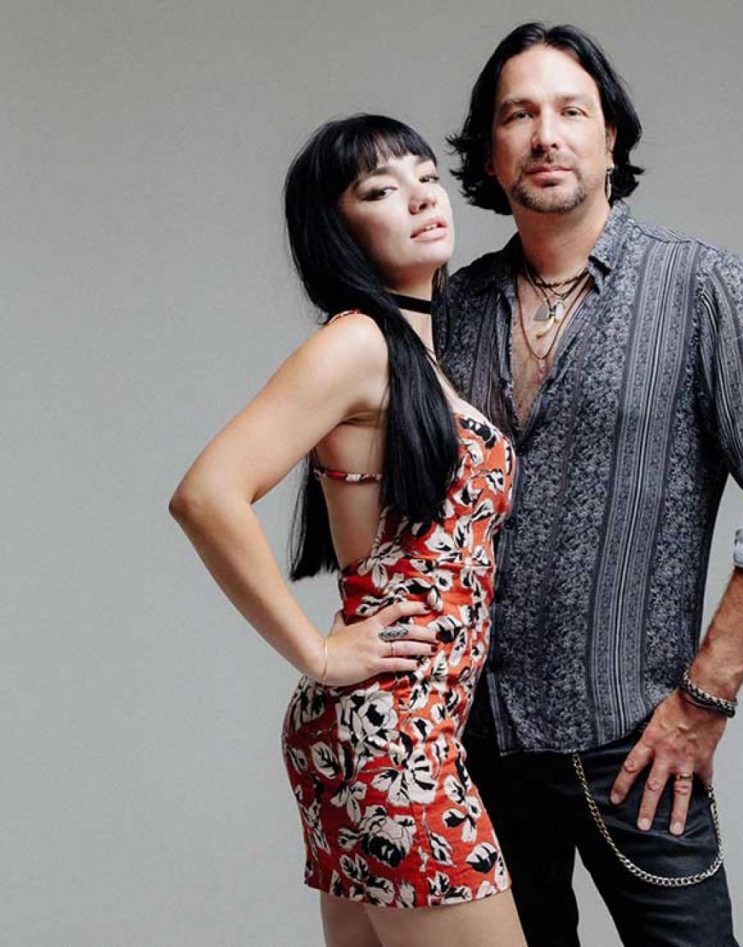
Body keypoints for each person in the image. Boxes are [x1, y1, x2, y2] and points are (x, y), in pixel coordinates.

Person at [436, 22, 743, 947]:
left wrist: (706, 699)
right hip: (475, 748)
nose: (546, 134)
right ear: (489, 153)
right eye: (518, 115)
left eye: (571, 111)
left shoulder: (699, 286)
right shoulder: (452, 309)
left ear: (611, 137)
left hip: (637, 745)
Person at [169, 114, 526, 947]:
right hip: (393, 735)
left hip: (387, 732)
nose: (420, 197)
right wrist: (320, 653)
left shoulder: (416, 357)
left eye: (426, 177)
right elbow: (207, 494)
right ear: (338, 230)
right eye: (379, 190)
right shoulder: (359, 341)